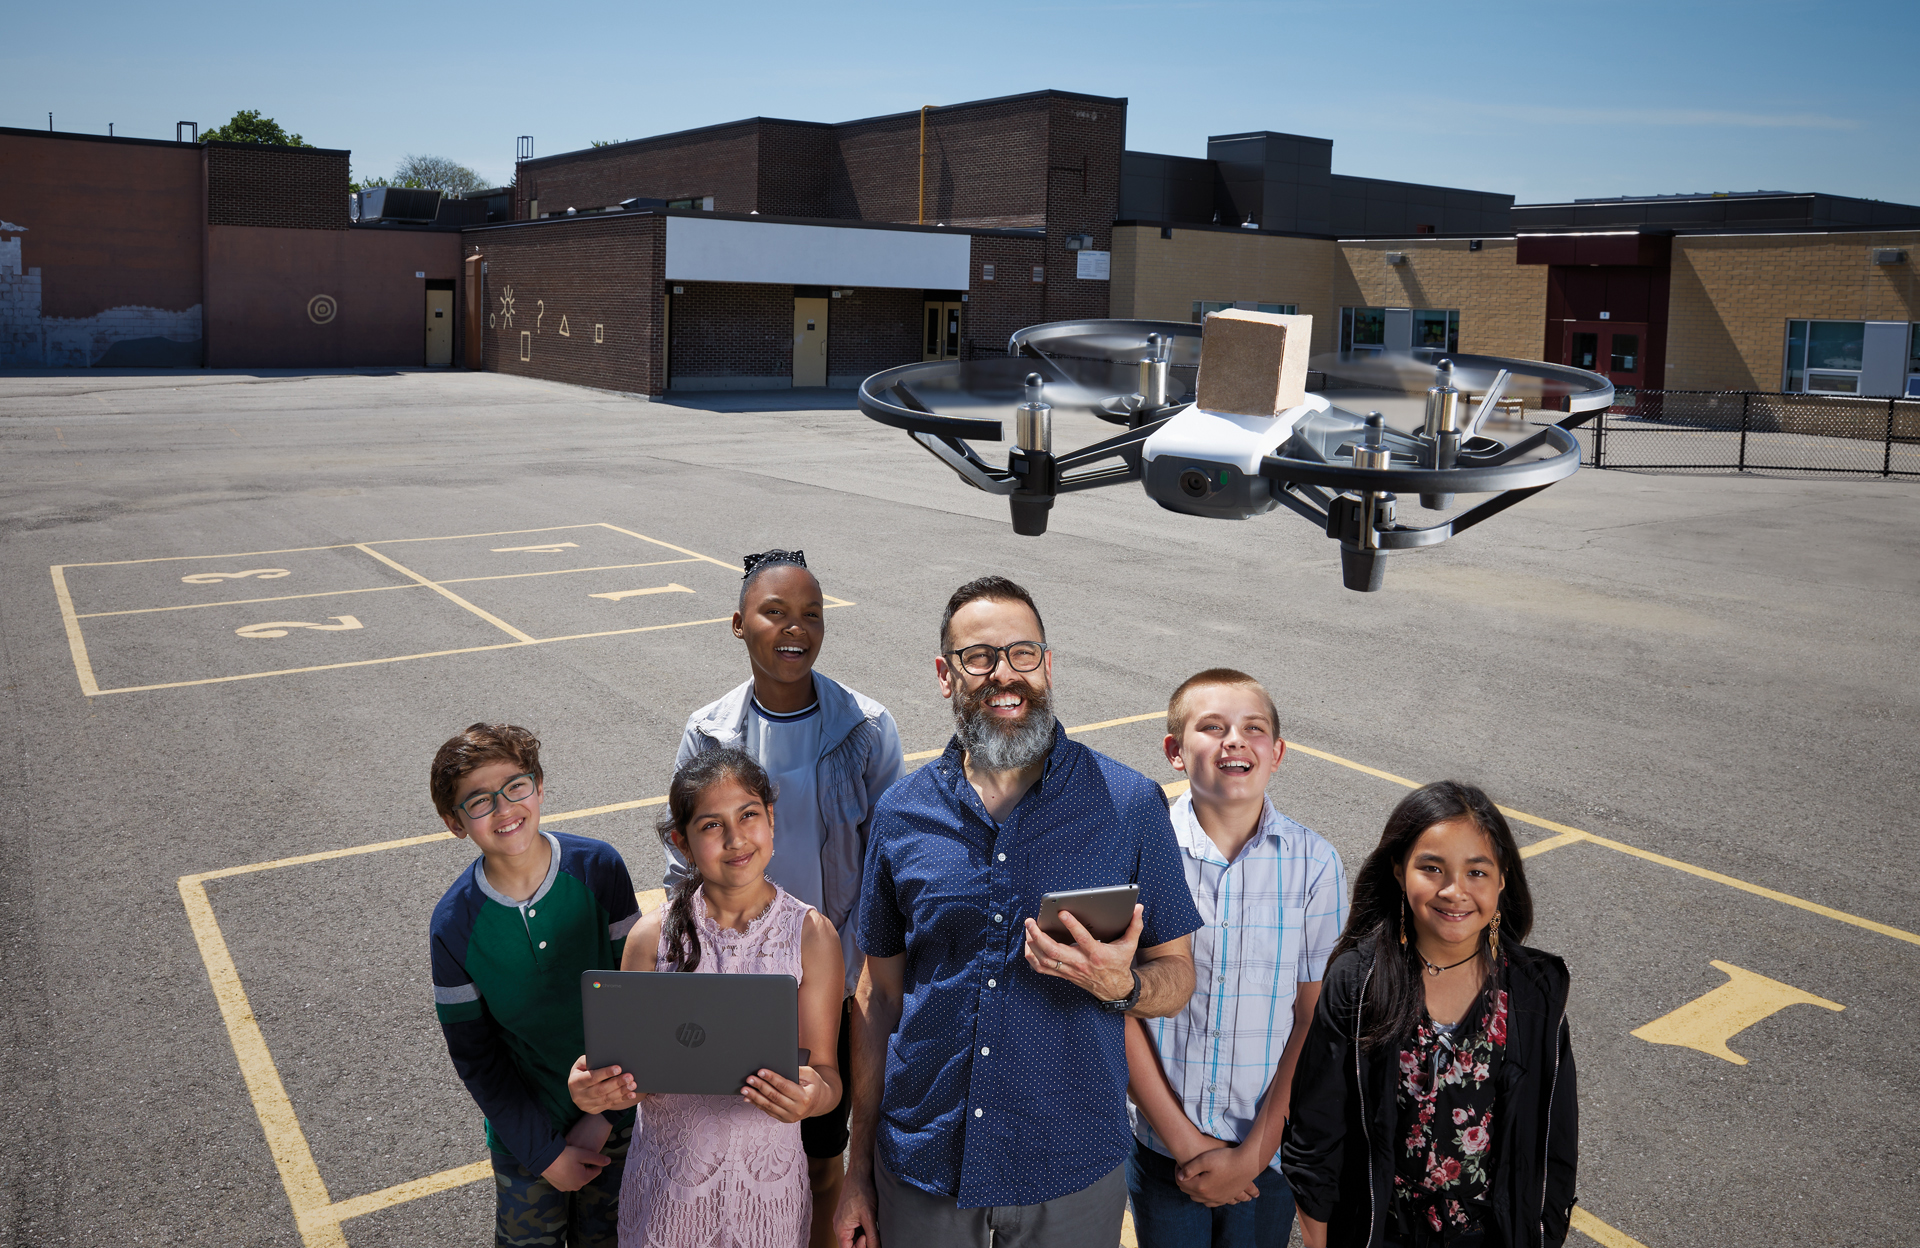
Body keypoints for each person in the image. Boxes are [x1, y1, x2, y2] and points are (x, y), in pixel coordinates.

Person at [834, 575, 1205, 1248]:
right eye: (979, 657)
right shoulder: (900, 813)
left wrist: (1122, 986)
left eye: (1022, 653)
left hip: (1067, 1171)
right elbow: (877, 995)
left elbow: (1177, 975)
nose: (1004, 674)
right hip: (923, 1167)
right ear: (946, 676)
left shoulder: (1127, 805)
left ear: (1047, 665)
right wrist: (856, 1168)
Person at [667, 548, 906, 1248]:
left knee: (823, 1156)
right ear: (738, 623)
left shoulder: (865, 726)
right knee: (734, 1139)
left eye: (811, 614)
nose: (794, 627)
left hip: (832, 978)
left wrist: (867, 969)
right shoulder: (708, 731)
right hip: (741, 977)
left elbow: (892, 859)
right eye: (774, 612)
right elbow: (681, 858)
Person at [1281, 782, 1578, 1248]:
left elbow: (1554, 1146)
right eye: (1431, 868)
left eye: (1477, 872)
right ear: (1399, 871)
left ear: (1503, 879)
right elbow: (1315, 1139)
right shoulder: (1358, 983)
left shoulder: (1534, 992)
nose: (1454, 891)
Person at [1124, 669, 1348, 1248]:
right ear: (1175, 751)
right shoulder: (1140, 851)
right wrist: (1184, 1142)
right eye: (1212, 727)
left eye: (1253, 729)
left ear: (1276, 752)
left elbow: (1312, 1018)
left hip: (1264, 1154)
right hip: (1163, 1146)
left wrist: (1255, 1152)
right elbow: (1114, 1003)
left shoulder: (1316, 864)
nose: (1234, 740)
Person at [612, 747, 846, 1248]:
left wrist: (810, 1098)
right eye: (711, 825)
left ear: (772, 821)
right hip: (667, 1193)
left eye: (748, 816)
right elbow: (627, 1072)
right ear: (683, 841)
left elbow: (826, 1075)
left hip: (768, 1194)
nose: (736, 838)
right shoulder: (651, 938)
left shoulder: (811, 935)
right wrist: (599, 1086)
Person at [427, 722, 641, 1248]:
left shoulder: (600, 869)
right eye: (479, 801)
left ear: (539, 787)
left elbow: (639, 1002)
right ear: (456, 823)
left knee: (613, 1237)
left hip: (619, 1112)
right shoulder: (453, 926)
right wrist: (545, 1154)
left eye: (515, 786)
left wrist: (602, 1117)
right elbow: (477, 1058)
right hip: (526, 1135)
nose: (504, 809)